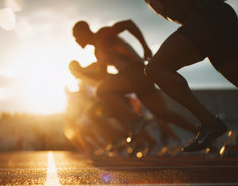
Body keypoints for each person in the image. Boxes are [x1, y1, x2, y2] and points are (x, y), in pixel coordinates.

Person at [116, 0, 238, 151]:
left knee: (156, 68)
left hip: (210, 20)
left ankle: (210, 123)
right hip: (213, 23)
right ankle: (210, 123)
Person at [72, 19, 197, 147]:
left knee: (101, 91)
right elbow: (102, 75)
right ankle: (199, 132)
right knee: (164, 114)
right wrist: (82, 72)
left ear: (83, 31)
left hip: (135, 71)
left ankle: (136, 121)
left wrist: (145, 47)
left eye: (76, 37)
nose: (76, 41)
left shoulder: (103, 34)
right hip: (140, 78)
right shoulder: (97, 52)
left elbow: (128, 24)